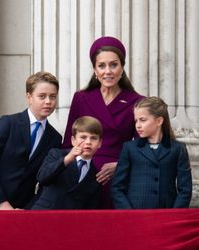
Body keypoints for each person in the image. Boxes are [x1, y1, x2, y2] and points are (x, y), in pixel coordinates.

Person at [62, 36, 144, 208]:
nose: (108, 71)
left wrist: (121, 166)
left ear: (122, 68)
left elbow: (142, 149)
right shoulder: (81, 98)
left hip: (118, 179)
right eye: (102, 66)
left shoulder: (137, 102)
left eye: (114, 65)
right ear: (95, 69)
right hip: (82, 176)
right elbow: (67, 144)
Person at [0, 71, 62, 210]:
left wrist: (30, 208)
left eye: (53, 96)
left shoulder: (55, 138)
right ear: (29, 97)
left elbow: (46, 180)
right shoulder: (9, 123)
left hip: (21, 211)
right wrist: (2, 203)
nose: (48, 101)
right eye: (42, 96)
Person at [112, 96, 192, 209]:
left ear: (159, 121)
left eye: (143, 120)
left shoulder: (178, 149)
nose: (138, 125)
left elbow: (185, 190)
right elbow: (117, 188)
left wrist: (174, 214)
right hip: (135, 214)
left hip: (166, 215)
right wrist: (129, 214)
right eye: (136, 121)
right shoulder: (129, 148)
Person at [31, 116, 102, 209]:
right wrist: (68, 159)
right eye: (83, 137)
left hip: (71, 220)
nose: (88, 142)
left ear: (100, 143)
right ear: (73, 140)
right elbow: (42, 177)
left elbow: (90, 207)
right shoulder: (57, 154)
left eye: (93, 138)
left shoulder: (96, 175)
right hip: (44, 214)